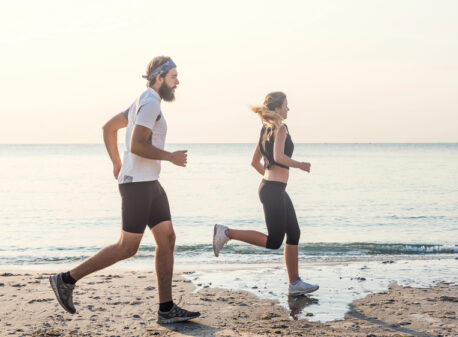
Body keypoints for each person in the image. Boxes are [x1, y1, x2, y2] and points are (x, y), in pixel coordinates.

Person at [49, 56, 200, 324]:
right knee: (127, 247)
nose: (178, 82)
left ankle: (166, 308)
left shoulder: (143, 100)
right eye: (174, 76)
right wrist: (169, 157)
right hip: (138, 186)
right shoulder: (150, 101)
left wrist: (117, 164)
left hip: (149, 182)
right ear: (159, 77)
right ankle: (66, 279)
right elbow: (137, 145)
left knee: (166, 238)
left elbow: (108, 128)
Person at [212, 91, 319, 296]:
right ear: (277, 108)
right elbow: (279, 157)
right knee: (274, 241)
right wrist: (300, 165)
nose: (288, 109)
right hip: (273, 190)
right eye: (286, 105)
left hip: (272, 188)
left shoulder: (265, 129)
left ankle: (295, 283)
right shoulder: (280, 128)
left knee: (294, 232)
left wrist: (270, 180)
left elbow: (255, 163)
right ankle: (226, 233)